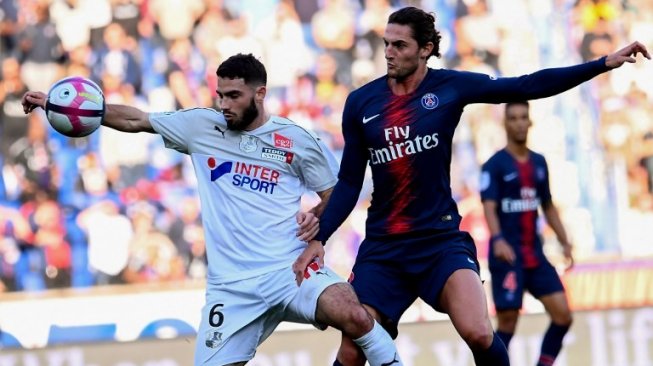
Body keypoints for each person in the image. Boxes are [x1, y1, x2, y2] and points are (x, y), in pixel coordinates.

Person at [291, 6, 650, 366]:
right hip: (385, 248)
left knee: (479, 332)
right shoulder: (361, 103)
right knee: (352, 352)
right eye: (386, 44)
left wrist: (601, 63)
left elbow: (526, 85)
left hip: (440, 241)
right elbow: (351, 180)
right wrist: (321, 237)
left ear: (425, 48)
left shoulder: (449, 87)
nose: (388, 52)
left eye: (399, 45)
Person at [22, 54, 403, 366]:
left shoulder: (297, 141)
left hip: (289, 269)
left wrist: (317, 222)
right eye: (220, 95)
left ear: (260, 94)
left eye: (234, 96)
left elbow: (334, 191)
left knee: (353, 315)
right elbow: (137, 120)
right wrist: (61, 105)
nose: (224, 105)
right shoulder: (200, 127)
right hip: (230, 288)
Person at [480, 101, 574, 366]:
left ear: (530, 122)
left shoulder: (539, 163)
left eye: (524, 117)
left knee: (563, 315)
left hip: (535, 253)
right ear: (505, 123)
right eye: (513, 118)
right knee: (508, 322)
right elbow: (489, 206)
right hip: (507, 256)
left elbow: (547, 205)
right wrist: (497, 239)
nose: (519, 123)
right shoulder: (494, 165)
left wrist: (565, 240)